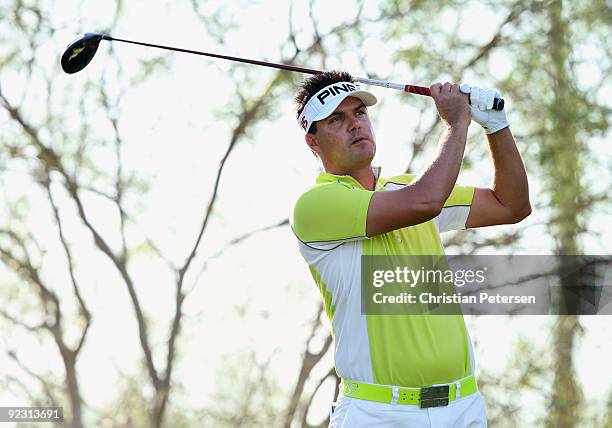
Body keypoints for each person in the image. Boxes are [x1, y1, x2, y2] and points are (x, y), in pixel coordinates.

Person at [290, 71, 531, 427]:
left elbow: (511, 205)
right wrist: (456, 124)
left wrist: (496, 126)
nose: (355, 125)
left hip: (463, 407)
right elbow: (425, 201)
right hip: (379, 413)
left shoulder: (407, 188)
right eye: (337, 119)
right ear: (313, 142)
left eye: (359, 113)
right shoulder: (315, 206)